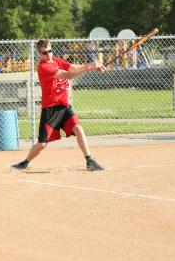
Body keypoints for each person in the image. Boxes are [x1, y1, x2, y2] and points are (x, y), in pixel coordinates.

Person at [12, 39, 106, 171]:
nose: (49, 54)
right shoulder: (44, 67)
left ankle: (89, 160)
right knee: (42, 144)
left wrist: (93, 67)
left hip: (64, 106)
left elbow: (72, 67)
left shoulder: (56, 60)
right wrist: (90, 66)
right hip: (50, 109)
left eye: (50, 51)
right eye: (45, 53)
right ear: (40, 53)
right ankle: (24, 163)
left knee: (78, 129)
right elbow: (68, 75)